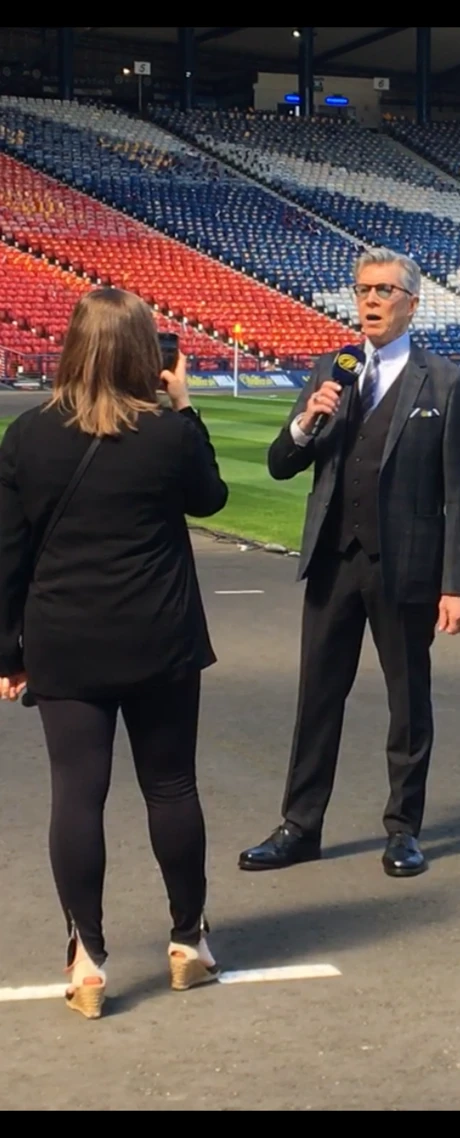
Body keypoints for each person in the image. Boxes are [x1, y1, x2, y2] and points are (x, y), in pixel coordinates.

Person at [0, 288, 228, 1019]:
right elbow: (211, 499)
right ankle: (188, 941)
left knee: (77, 793)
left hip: (66, 637)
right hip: (159, 635)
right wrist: (186, 405)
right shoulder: (170, 433)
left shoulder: (27, 435)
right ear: (144, 354)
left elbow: (7, 556)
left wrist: (8, 652)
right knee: (170, 787)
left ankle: (88, 958)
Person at [239, 249, 460, 879]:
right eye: (362, 290)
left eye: (383, 291)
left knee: (408, 702)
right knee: (317, 697)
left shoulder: (446, 382)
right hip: (332, 561)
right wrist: (306, 421)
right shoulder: (332, 370)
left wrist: (457, 585)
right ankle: (299, 825)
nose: (369, 301)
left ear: (411, 303)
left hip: (407, 566)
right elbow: (280, 464)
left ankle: (404, 829)